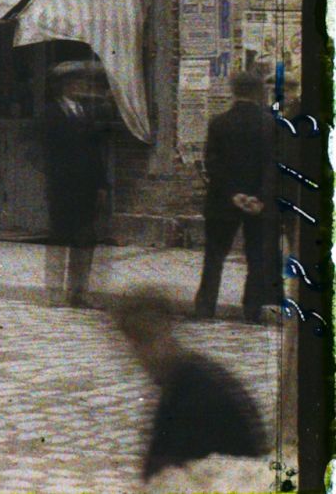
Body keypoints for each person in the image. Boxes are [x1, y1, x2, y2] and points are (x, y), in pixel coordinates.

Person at [112, 287, 269, 487]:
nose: (143, 353)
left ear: (167, 330)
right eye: (136, 343)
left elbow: (167, 476)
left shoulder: (194, 391)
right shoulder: (184, 381)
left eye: (147, 339)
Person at [195, 68, 275, 322]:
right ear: (259, 92)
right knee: (256, 257)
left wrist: (233, 193)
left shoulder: (219, 123)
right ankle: (252, 310)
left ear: (233, 91)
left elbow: (212, 164)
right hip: (258, 203)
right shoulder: (270, 124)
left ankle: (205, 307)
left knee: (214, 256)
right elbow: (273, 166)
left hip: (222, 199)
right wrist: (259, 197)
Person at [42, 59, 111, 307]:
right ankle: (54, 291)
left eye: (81, 82)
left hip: (86, 189)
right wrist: (54, 176)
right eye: (75, 82)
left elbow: (95, 153)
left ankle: (79, 291)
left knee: (85, 239)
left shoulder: (85, 112)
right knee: (60, 238)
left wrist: (101, 185)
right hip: (62, 188)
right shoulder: (50, 114)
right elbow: (41, 152)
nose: (80, 86)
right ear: (63, 86)